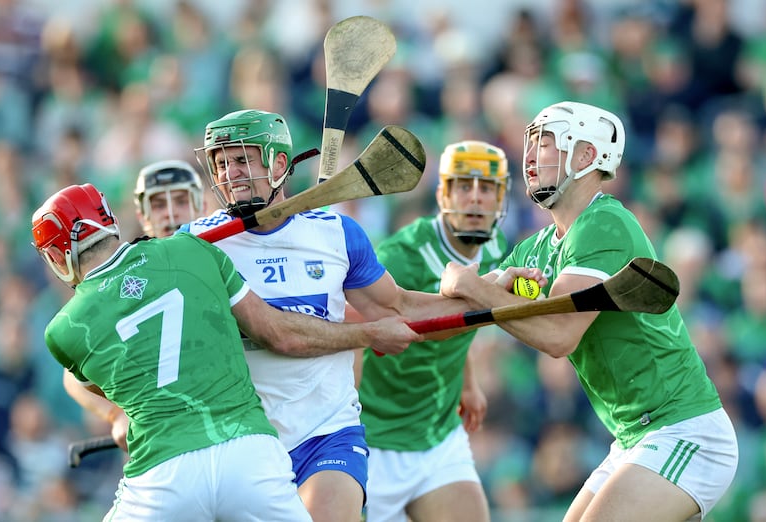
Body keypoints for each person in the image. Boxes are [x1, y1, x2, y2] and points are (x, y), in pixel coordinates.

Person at [31, 183, 422, 521]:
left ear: (55, 255)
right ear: (111, 221)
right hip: (250, 452)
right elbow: (275, 330)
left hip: (164, 472)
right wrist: (369, 333)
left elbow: (108, 384)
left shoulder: (63, 330)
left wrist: (119, 415)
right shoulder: (192, 250)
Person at [437, 101, 738, 522]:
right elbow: (458, 310)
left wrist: (473, 289)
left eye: (546, 143)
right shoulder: (537, 248)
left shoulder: (604, 225)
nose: (528, 156)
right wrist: (439, 291)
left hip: (683, 429)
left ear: (587, 156)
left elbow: (559, 335)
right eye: (530, 143)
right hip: (633, 436)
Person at [182, 109, 470, 522]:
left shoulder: (337, 233)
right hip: (242, 443)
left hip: (327, 434)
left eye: (242, 160)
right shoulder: (195, 246)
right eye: (222, 163)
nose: (230, 173)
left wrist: (490, 298)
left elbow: (400, 308)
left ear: (279, 164)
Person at [357, 140, 510, 522]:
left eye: (487, 188)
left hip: (440, 436)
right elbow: (357, 338)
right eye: (463, 186)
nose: (475, 199)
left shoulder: (496, 248)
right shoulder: (399, 257)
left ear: (500, 197)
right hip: (377, 439)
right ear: (443, 193)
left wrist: (468, 380)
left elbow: (464, 322)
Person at [62, 159, 209, 450]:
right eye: (158, 204)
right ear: (142, 215)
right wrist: (116, 414)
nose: (170, 213)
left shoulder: (226, 253)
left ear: (201, 205)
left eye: (180, 200)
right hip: (168, 432)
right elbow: (73, 369)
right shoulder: (129, 273)